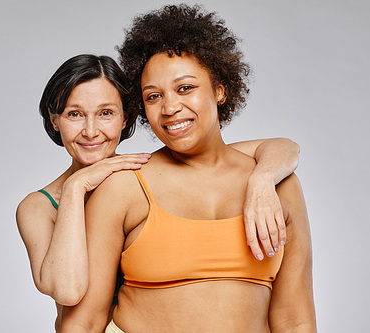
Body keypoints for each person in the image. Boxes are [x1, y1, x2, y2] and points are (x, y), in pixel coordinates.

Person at [60, 4, 315, 333]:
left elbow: (296, 321)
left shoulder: (279, 186)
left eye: (185, 88)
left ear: (220, 90)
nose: (169, 108)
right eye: (153, 96)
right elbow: (84, 322)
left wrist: (262, 181)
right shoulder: (124, 187)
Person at [17, 53, 299, 331]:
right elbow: (68, 293)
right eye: (74, 114)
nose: (91, 131)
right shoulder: (42, 206)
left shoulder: (139, 171)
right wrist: (75, 187)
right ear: (55, 120)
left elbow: (269, 149)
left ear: (126, 118)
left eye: (106, 113)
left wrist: (262, 179)